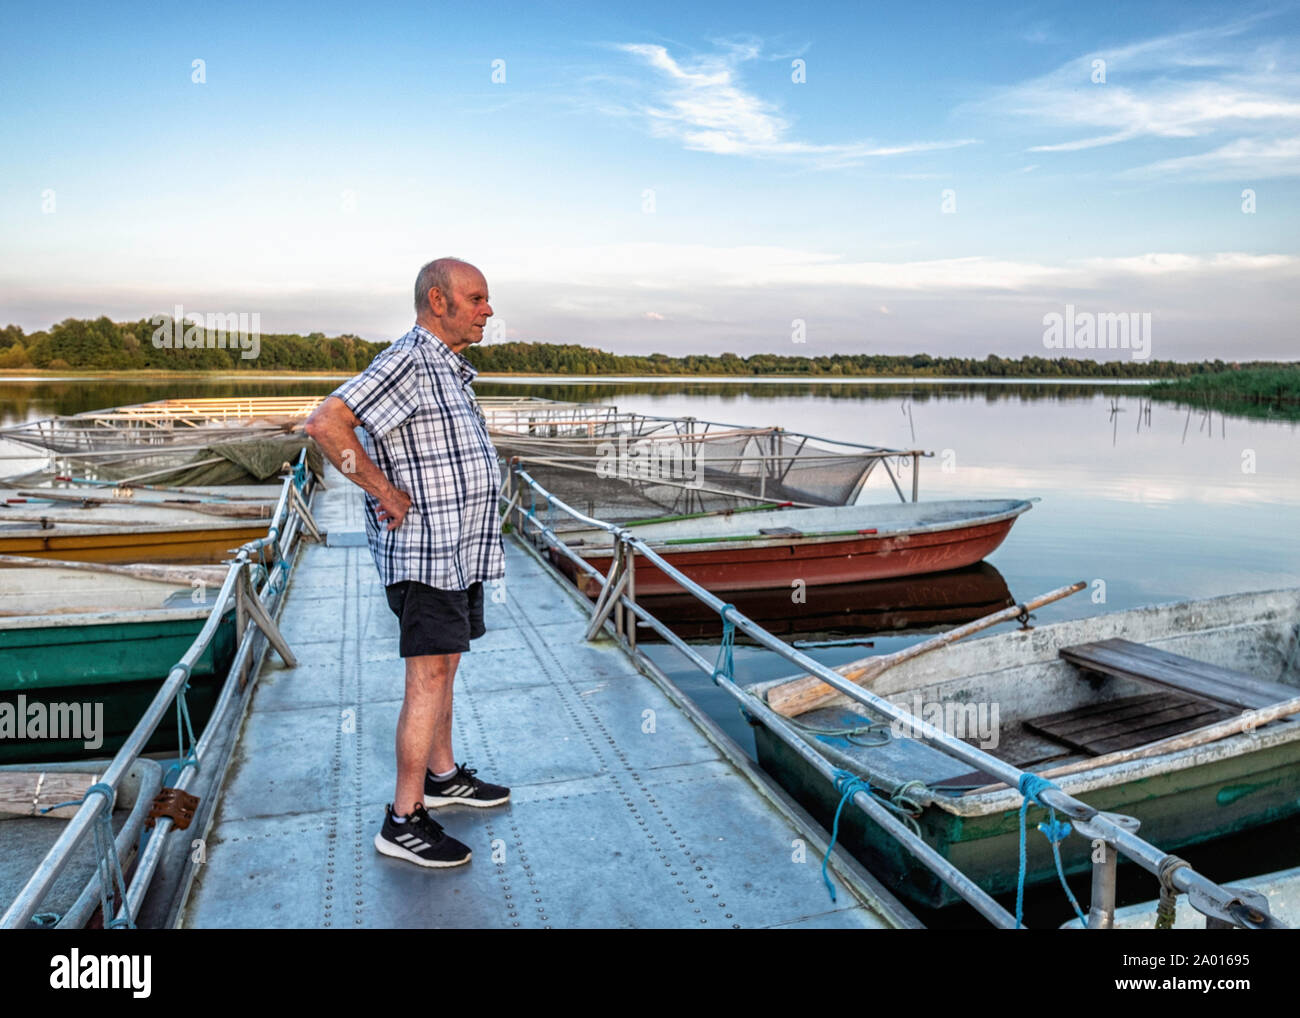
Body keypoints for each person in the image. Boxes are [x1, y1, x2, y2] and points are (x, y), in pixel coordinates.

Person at [304, 257, 508, 869]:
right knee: (427, 678)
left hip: (456, 550)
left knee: (444, 666)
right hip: (425, 553)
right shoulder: (412, 360)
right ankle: (404, 818)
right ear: (438, 300)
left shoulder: (447, 367)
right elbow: (326, 422)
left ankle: (443, 778)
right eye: (476, 298)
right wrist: (382, 491)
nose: (488, 310)